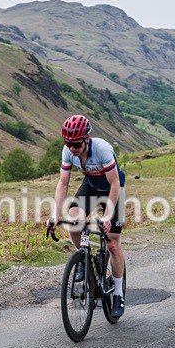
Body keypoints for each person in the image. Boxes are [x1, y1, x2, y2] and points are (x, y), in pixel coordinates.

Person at [47, 115, 127, 318]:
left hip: (113, 190)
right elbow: (63, 183)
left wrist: (107, 216)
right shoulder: (68, 151)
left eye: (76, 144)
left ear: (86, 139)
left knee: (112, 243)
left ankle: (118, 293)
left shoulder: (102, 149)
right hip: (91, 186)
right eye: (68, 143)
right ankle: (84, 258)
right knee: (73, 218)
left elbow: (115, 184)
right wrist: (55, 215)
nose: (71, 148)